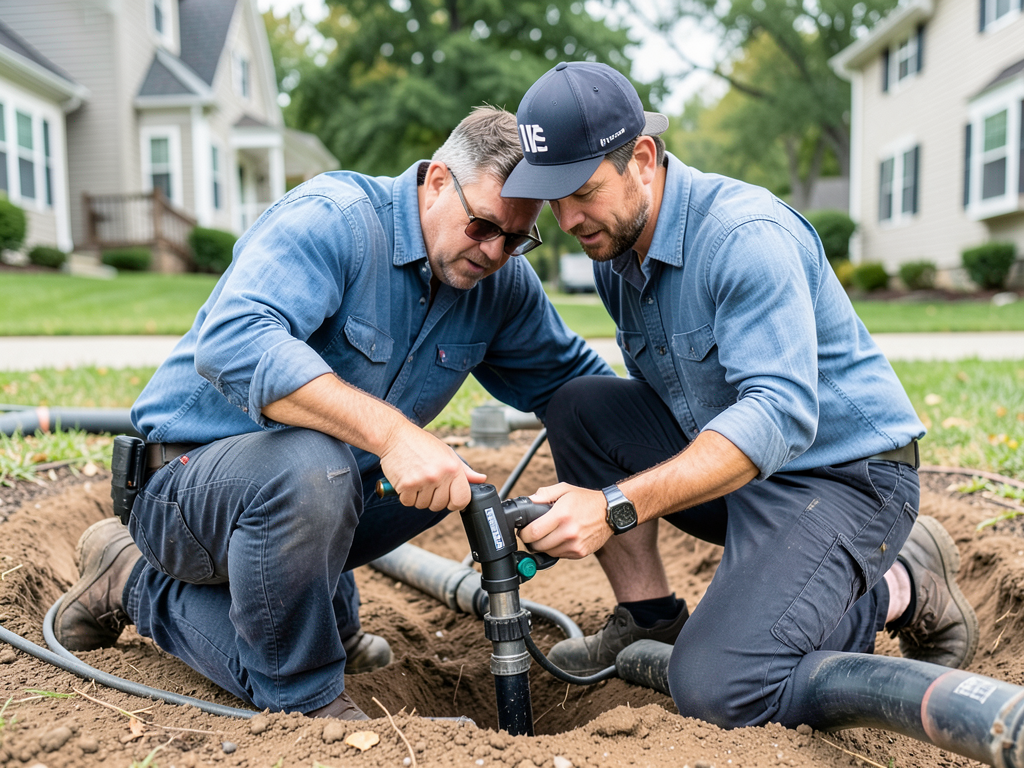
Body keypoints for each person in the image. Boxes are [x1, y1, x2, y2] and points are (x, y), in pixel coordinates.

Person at [53, 106, 614, 721]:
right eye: (482, 225)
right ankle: (150, 591)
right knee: (318, 466)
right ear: (435, 182)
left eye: (516, 238)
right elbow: (233, 341)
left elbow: (579, 387)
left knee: (448, 481)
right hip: (182, 490)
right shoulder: (335, 219)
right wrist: (395, 435)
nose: (495, 252)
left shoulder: (499, 284)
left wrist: (629, 483)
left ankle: (324, 618)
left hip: (319, 496)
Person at [502, 62, 979, 729]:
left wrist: (610, 507)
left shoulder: (743, 237)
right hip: (746, 474)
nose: (569, 218)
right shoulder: (615, 252)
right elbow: (661, 404)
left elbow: (777, 416)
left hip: (844, 480)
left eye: (582, 190)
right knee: (579, 407)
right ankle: (651, 621)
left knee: (722, 689)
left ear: (642, 157)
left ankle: (902, 584)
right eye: (554, 199)